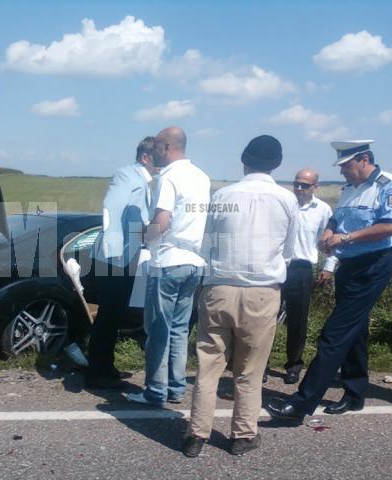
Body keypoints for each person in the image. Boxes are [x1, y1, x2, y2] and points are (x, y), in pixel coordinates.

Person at [267, 139, 392, 419]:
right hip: (350, 264)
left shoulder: (389, 186)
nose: (342, 171)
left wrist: (346, 237)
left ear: (364, 159)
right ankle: (355, 394)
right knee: (355, 331)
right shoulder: (349, 189)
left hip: (373, 264)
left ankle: (301, 403)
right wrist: (329, 232)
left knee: (333, 335)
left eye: (346, 165)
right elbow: (338, 220)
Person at [182, 135, 298, 458]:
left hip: (218, 289)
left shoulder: (222, 196)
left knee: (208, 365)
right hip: (262, 292)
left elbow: (207, 244)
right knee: (250, 369)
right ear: (276, 165)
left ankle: (196, 435)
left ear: (244, 161)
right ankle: (243, 435)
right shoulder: (287, 200)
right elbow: (288, 251)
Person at [126, 126, 210, 407]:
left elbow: (162, 221)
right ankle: (176, 387)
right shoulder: (201, 177)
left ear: (166, 148)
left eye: (157, 148)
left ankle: (155, 392)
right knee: (179, 329)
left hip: (168, 261)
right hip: (194, 262)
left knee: (157, 330)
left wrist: (141, 240)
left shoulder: (169, 177)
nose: (153, 153)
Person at [85, 136, 156, 390]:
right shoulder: (128, 175)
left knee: (114, 314)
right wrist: (115, 249)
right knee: (108, 314)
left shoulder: (146, 181)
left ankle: (105, 366)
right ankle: (96, 372)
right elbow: (112, 207)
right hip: (115, 256)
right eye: (157, 158)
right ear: (145, 157)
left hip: (127, 254)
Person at [274, 169, 337, 385]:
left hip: (301, 267)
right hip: (277, 266)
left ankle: (293, 365)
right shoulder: (283, 203)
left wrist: (329, 267)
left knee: (298, 319)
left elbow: (329, 242)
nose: (299, 189)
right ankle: (259, 364)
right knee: (266, 318)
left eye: (305, 185)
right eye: (297, 184)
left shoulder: (323, 210)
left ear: (315, 187)